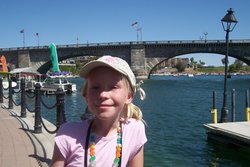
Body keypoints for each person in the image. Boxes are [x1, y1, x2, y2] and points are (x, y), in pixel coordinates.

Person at [50, 55, 147, 167]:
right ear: (86, 95)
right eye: (95, 87)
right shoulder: (67, 134)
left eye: (113, 87)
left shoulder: (135, 130)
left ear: (129, 96)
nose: (103, 95)